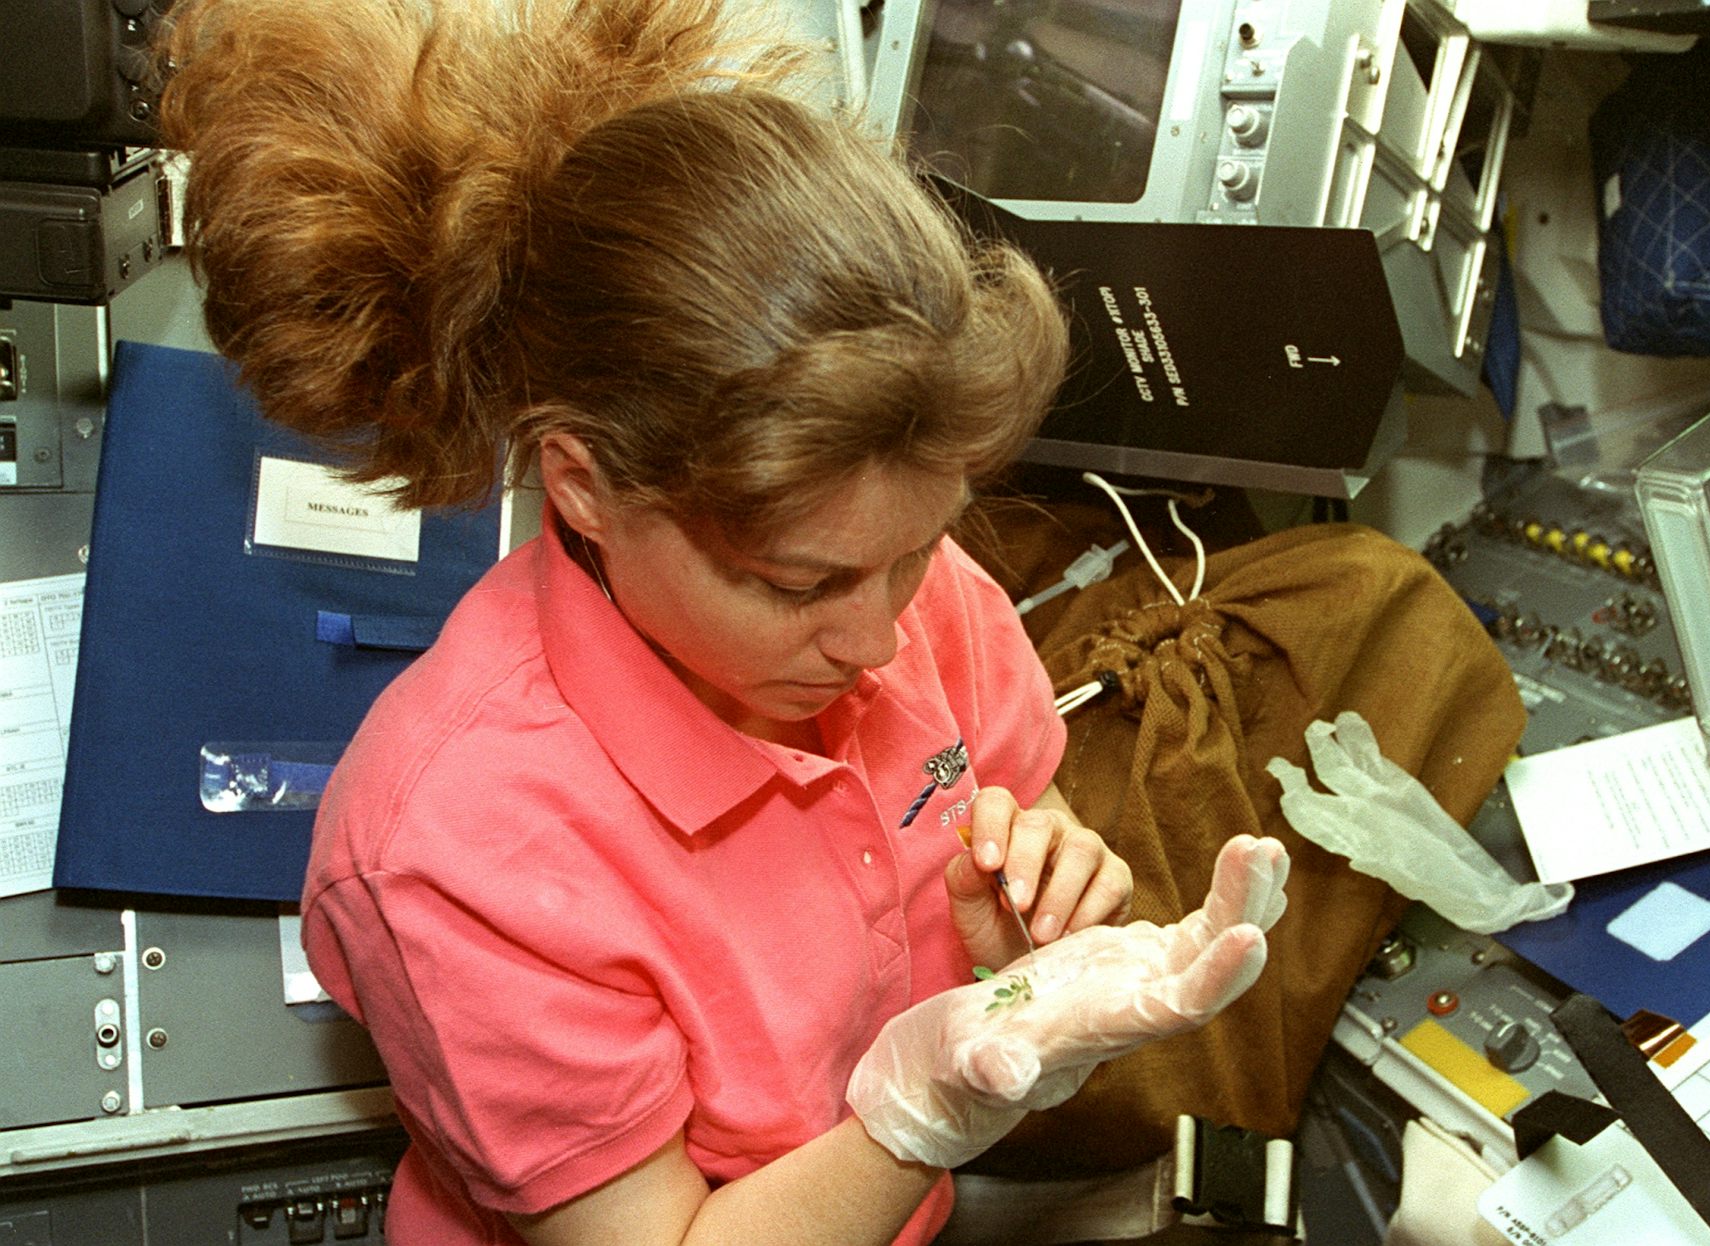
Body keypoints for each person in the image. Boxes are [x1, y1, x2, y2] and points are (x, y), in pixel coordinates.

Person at [157, 1, 1291, 1242]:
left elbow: (1017, 800)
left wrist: (1034, 909)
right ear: (585, 484)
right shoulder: (457, 854)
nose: (877, 638)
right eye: (800, 585)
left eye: (916, 549)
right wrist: (927, 1111)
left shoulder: (909, 587)